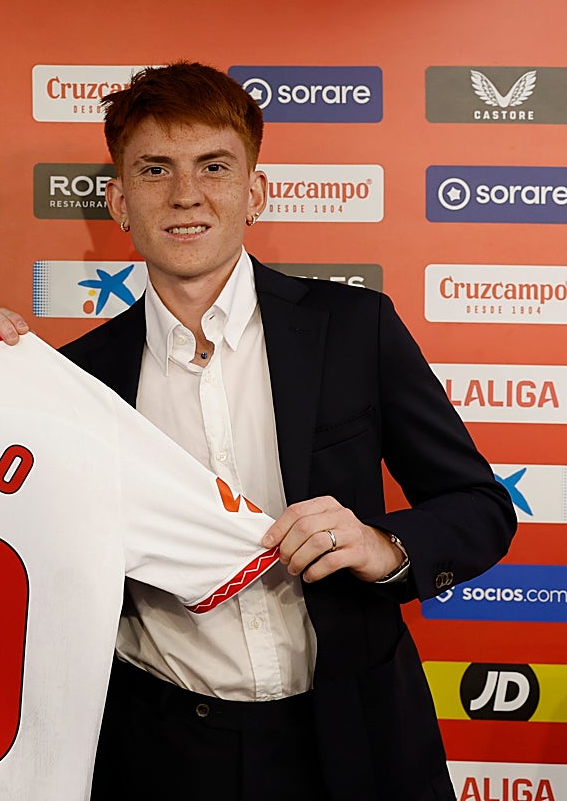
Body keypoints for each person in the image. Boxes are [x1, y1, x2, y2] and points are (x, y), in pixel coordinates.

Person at [58, 63, 517, 801]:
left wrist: (383, 546)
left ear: (255, 191)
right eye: (154, 170)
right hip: (157, 751)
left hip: (353, 739)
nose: (185, 194)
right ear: (118, 200)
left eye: (214, 166)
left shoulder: (354, 330)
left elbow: (478, 506)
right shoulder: (74, 378)